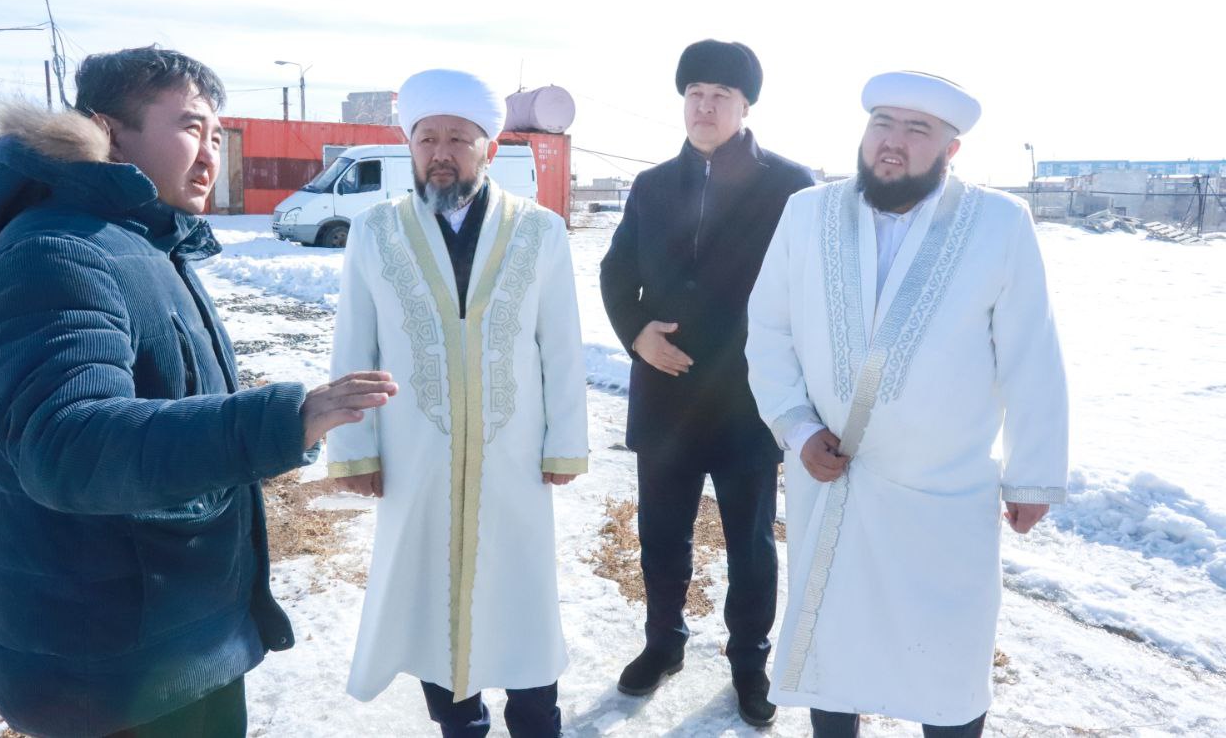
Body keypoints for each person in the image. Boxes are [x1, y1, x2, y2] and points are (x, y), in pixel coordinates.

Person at [0, 46, 397, 738]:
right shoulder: (57, 252)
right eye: (192, 127)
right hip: (111, 674)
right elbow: (69, 445)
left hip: (178, 645)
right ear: (108, 131)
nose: (210, 156)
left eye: (218, 136)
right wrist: (278, 421)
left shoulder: (141, 241)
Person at [745, 71, 1069, 736]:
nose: (892, 142)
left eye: (917, 130)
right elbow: (769, 331)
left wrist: (1032, 473)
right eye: (882, 124)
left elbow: (1031, 355)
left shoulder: (999, 224)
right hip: (831, 481)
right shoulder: (807, 212)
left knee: (946, 669)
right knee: (834, 651)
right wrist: (797, 428)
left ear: (952, 149)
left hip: (942, 496)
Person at [327, 68, 589, 737]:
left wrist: (565, 443)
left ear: (489, 148)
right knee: (429, 598)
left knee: (523, 600)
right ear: (410, 146)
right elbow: (355, 344)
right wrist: (354, 448)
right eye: (427, 138)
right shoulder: (375, 231)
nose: (440, 153)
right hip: (414, 453)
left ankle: (537, 722)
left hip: (515, 456)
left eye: (458, 139)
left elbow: (560, 345)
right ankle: (460, 724)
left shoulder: (539, 231)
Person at [599, 39, 814, 727]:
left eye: (722, 95)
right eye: (695, 93)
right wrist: (637, 334)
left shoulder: (791, 186)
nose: (705, 106)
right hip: (665, 396)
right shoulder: (652, 185)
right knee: (661, 533)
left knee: (751, 542)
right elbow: (615, 270)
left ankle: (750, 661)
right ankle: (663, 642)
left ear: (746, 105)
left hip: (749, 400)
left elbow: (812, 290)